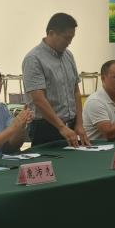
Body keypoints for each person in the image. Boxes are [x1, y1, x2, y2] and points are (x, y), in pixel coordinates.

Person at [23, 12, 89, 147]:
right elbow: (38, 99)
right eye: (67, 38)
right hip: (45, 128)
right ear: (52, 33)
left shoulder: (68, 56)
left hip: (70, 125)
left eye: (72, 38)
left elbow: (76, 91)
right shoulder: (33, 59)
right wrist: (61, 127)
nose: (69, 43)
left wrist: (79, 123)